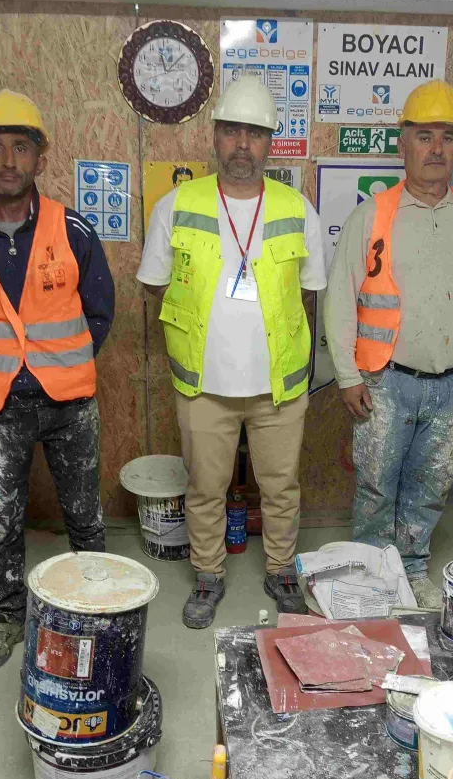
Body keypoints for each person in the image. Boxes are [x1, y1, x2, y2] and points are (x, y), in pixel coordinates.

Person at [0, 90, 115, 671]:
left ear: (40, 158)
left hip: (68, 402)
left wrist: (58, 364)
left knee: (84, 515)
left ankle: (97, 612)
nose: (9, 160)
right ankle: (7, 619)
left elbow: (100, 312)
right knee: (1, 522)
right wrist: (1, 370)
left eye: (21, 147)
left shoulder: (73, 229)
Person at [138, 77, 326, 628]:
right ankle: (208, 575)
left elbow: (309, 292)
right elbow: (155, 284)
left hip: (278, 386)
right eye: (232, 131)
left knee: (281, 487)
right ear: (214, 135)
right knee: (205, 488)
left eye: (256, 133)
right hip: (204, 384)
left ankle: (281, 571)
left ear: (271, 142)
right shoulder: (178, 204)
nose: (243, 144)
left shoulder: (298, 210)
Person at [324, 80, 453, 607]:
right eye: (424, 136)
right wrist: (347, 375)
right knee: (376, 485)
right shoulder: (373, 215)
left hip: (452, 385)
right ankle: (370, 574)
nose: (436, 148)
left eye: (447, 137)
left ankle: (410, 570)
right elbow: (339, 299)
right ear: (402, 142)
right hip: (385, 381)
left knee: (430, 485)